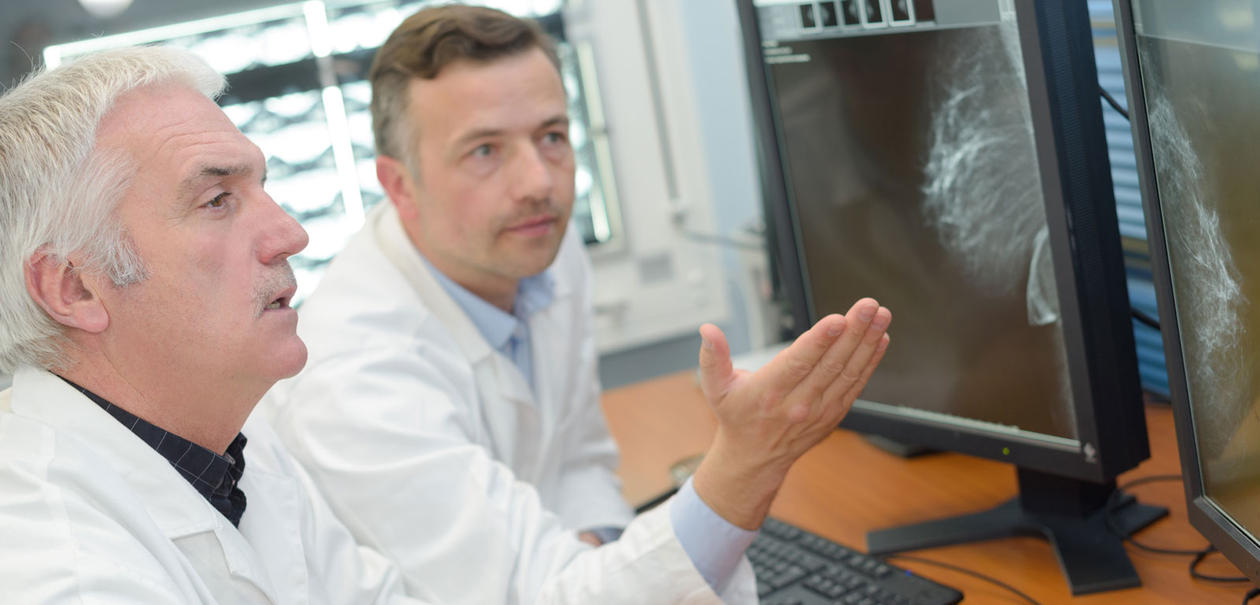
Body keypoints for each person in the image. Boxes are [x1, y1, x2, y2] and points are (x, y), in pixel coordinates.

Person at [263, 4, 890, 605]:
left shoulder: (535, 248)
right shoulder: (353, 381)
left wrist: (595, 551)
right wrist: (746, 463)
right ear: (401, 186)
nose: (539, 182)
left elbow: (578, 458)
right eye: (485, 150)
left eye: (552, 136)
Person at [0, 47, 422, 603]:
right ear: (75, 287)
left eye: (262, 187)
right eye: (218, 199)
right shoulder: (54, 563)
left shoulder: (230, 443)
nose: (290, 234)